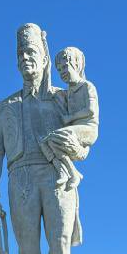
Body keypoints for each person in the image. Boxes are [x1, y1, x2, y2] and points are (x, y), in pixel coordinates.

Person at [0, 24, 97, 254]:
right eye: (21, 54)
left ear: (44, 58)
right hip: (20, 178)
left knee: (59, 246)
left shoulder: (64, 97)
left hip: (57, 175)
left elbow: (88, 128)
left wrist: (75, 140)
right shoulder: (4, 107)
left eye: (31, 52)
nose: (25, 59)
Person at [40, 46, 99, 191]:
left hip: (88, 128)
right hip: (75, 129)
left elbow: (90, 110)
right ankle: (68, 171)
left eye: (65, 67)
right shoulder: (68, 93)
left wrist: (70, 118)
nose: (62, 72)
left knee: (55, 138)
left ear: (77, 65)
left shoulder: (87, 86)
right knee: (45, 142)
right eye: (59, 70)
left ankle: (71, 173)